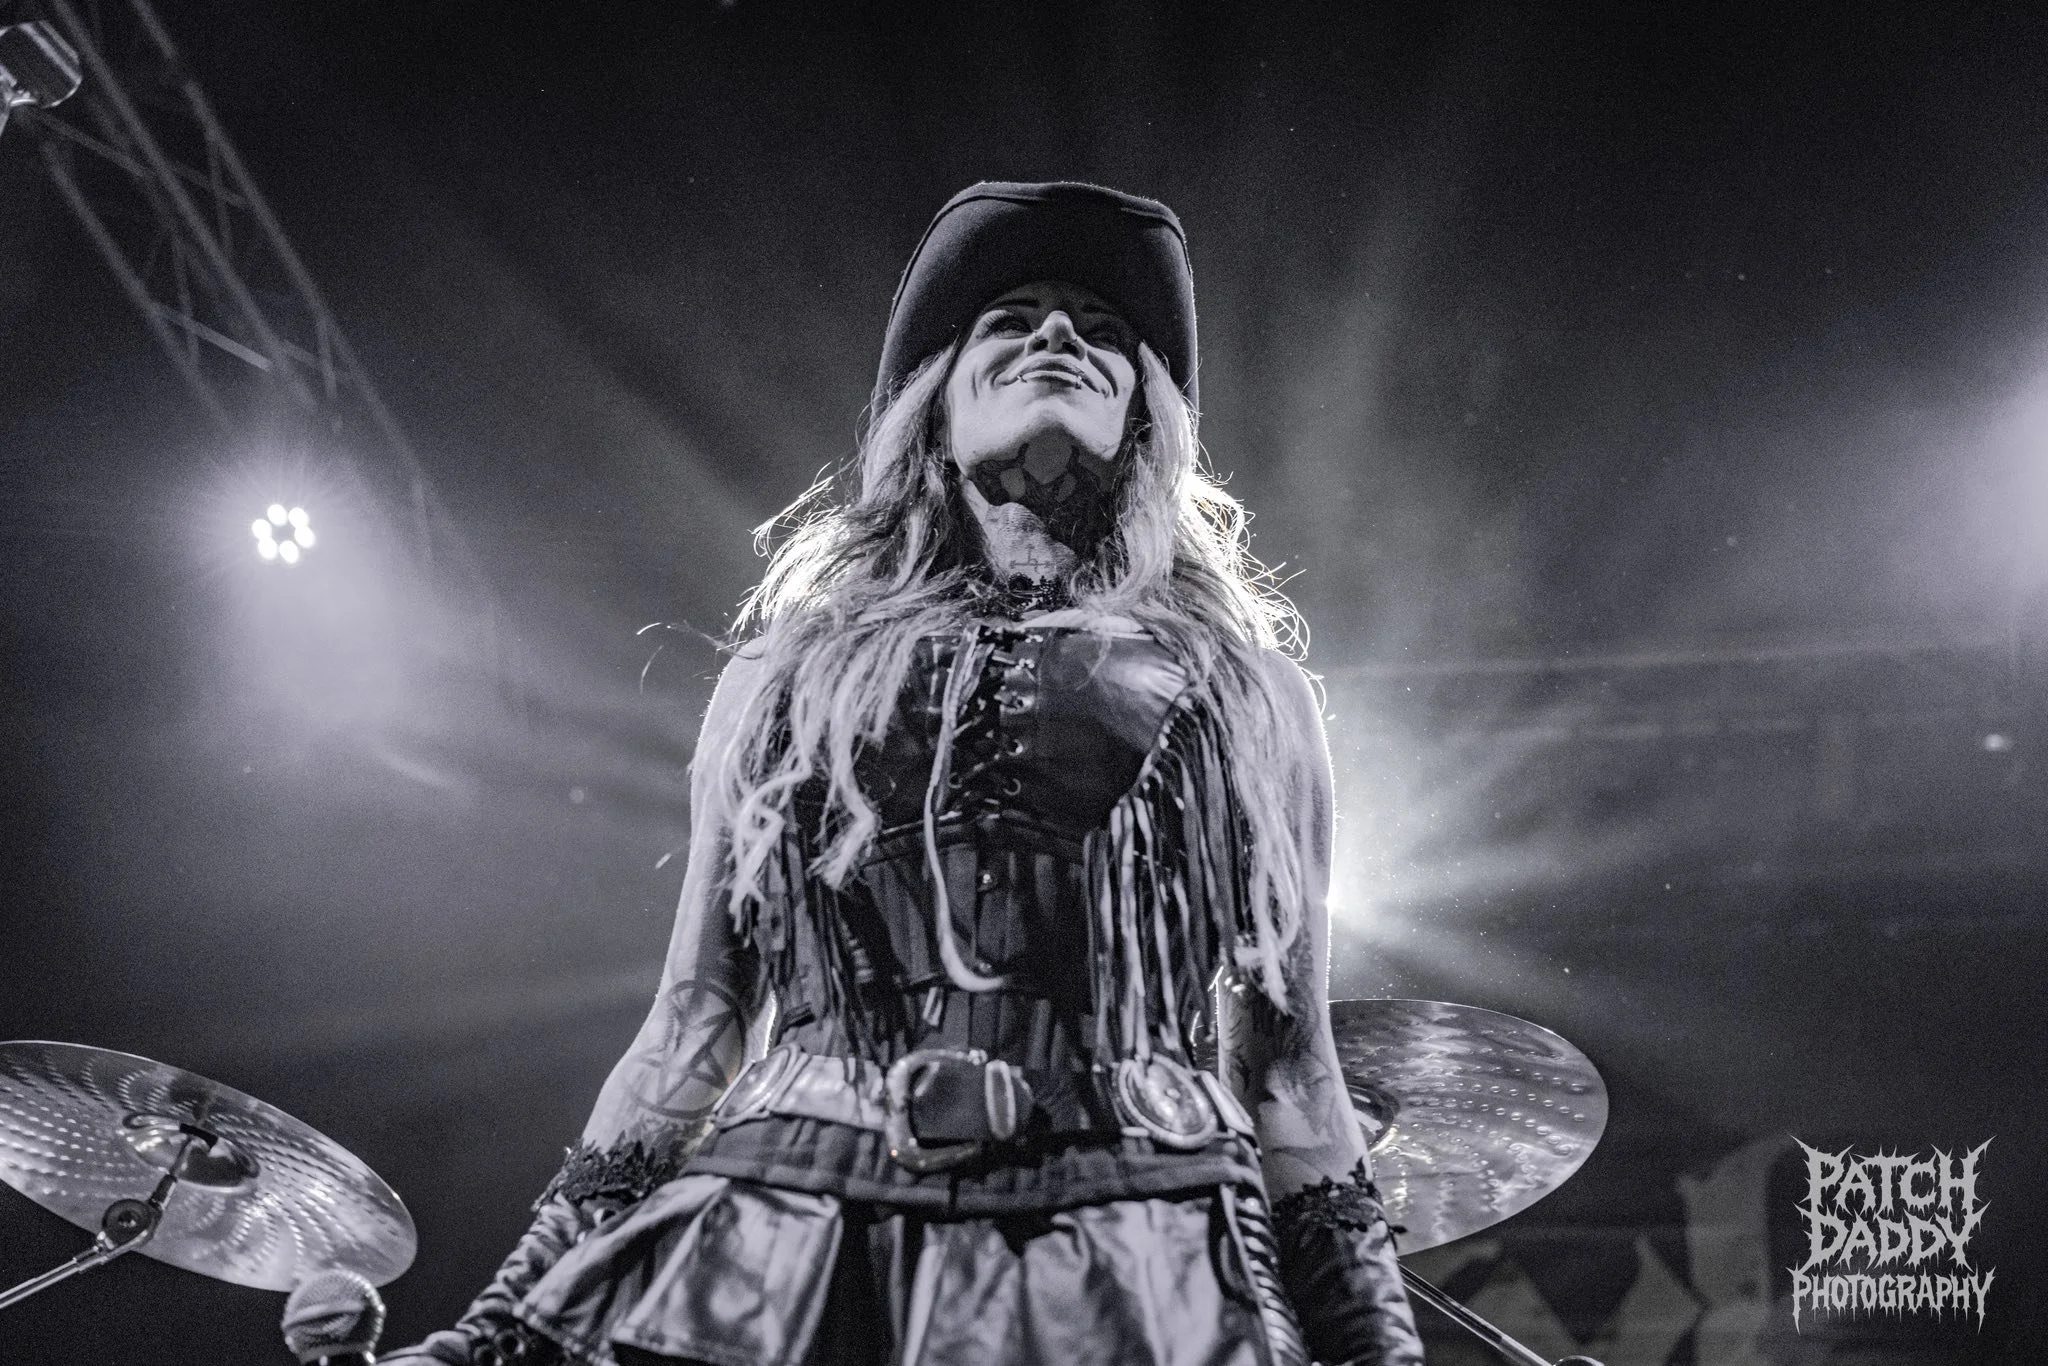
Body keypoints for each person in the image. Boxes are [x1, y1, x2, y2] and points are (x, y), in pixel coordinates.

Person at [390, 182, 1424, 1366]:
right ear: (937, 406)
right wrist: (501, 1330)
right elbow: (695, 1019)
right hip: (788, 1231)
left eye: (1098, 330)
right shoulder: (788, 675)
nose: (1057, 338)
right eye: (1011, 317)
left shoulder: (1251, 694)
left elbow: (1289, 1064)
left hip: (1141, 1244)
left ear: (1148, 414)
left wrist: (1375, 1345)